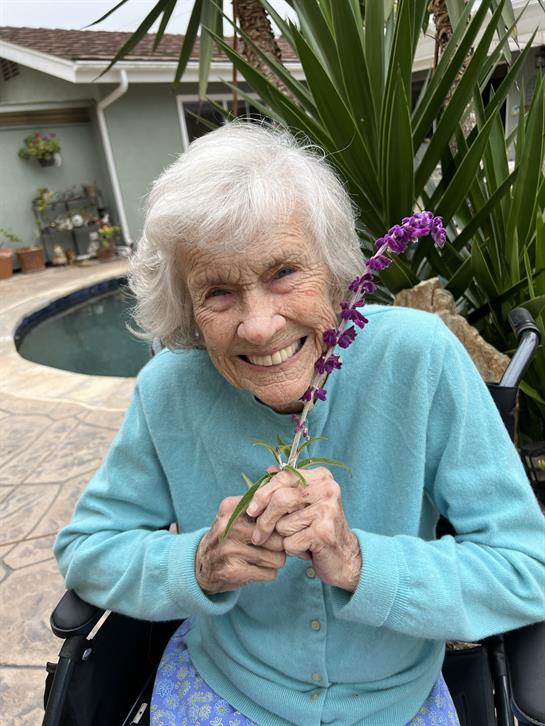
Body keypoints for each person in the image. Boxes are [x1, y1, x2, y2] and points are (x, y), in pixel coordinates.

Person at [54, 122, 545, 726]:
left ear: (336, 270)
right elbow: (88, 548)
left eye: (284, 271)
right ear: (187, 309)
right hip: (226, 690)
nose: (260, 326)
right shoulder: (169, 389)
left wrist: (362, 562)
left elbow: (527, 567)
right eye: (218, 293)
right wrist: (198, 564)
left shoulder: (418, 360)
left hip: (392, 703)